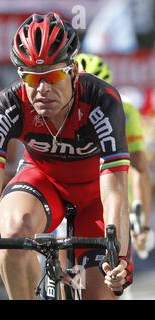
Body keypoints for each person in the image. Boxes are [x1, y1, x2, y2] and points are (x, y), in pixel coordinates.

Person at [0, 12, 133, 299]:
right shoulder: (6, 105)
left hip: (94, 197)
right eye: (30, 77)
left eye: (52, 76)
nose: (42, 89)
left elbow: (115, 193)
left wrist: (120, 259)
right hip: (42, 182)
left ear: (73, 71)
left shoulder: (101, 101)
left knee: (98, 290)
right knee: (14, 232)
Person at [75, 53, 154, 259]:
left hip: (110, 187)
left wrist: (143, 224)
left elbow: (140, 169)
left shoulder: (125, 109)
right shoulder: (54, 104)